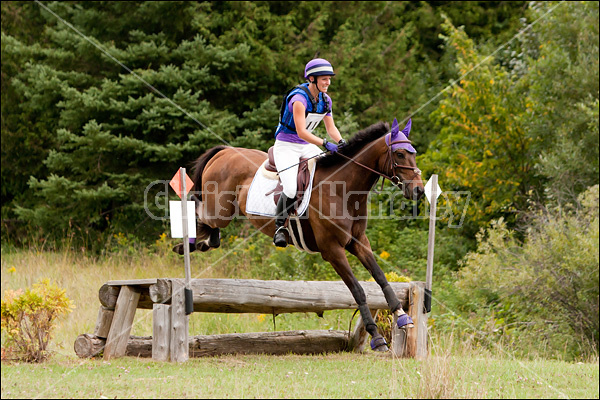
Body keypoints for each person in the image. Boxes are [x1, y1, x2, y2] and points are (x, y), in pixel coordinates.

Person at [272, 58, 346, 247]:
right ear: (312, 79)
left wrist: (341, 141)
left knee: (330, 171)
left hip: (306, 145)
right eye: (324, 79)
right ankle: (280, 227)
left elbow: (331, 128)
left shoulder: (326, 100)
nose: (328, 82)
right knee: (290, 188)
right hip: (286, 145)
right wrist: (325, 144)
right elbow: (301, 131)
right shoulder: (299, 99)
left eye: (329, 79)